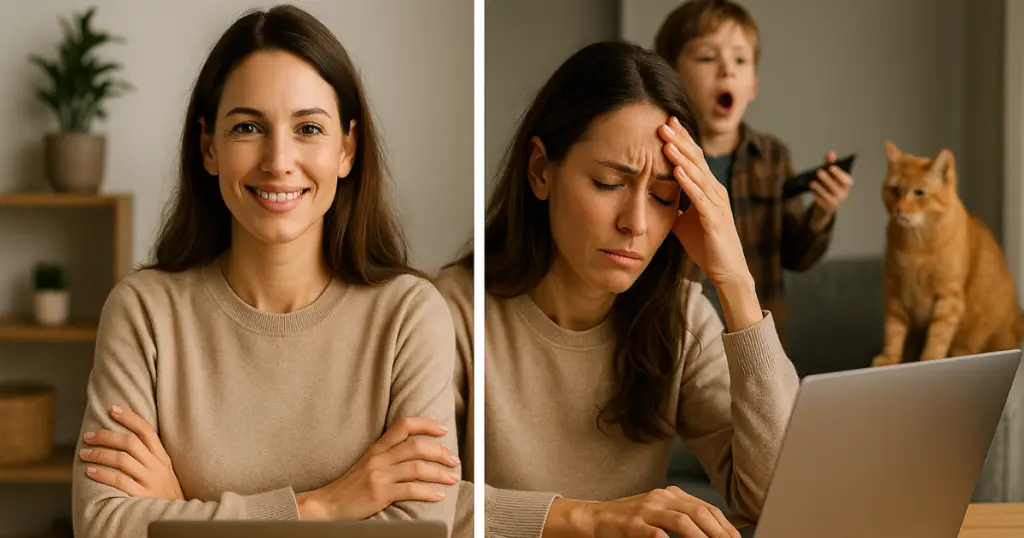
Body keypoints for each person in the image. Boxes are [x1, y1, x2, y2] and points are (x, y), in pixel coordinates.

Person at [70, 6, 460, 538]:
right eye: (248, 127)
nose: (278, 160)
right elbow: (104, 526)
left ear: (347, 148)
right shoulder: (143, 311)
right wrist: (328, 506)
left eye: (308, 128)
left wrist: (180, 513)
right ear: (209, 147)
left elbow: (421, 529)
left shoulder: (410, 316)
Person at [434, 41, 798, 538]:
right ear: (541, 171)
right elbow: (415, 503)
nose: (637, 223)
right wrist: (589, 518)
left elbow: (783, 496)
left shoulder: (681, 317)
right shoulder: (448, 312)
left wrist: (734, 278)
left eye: (663, 196)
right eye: (609, 183)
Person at [654, 0, 854, 344]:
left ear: (753, 85)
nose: (726, 71)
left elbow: (795, 256)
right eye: (706, 57)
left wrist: (821, 212)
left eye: (740, 60)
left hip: (757, 340)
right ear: (672, 76)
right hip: (677, 339)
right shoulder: (659, 155)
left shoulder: (772, 157)